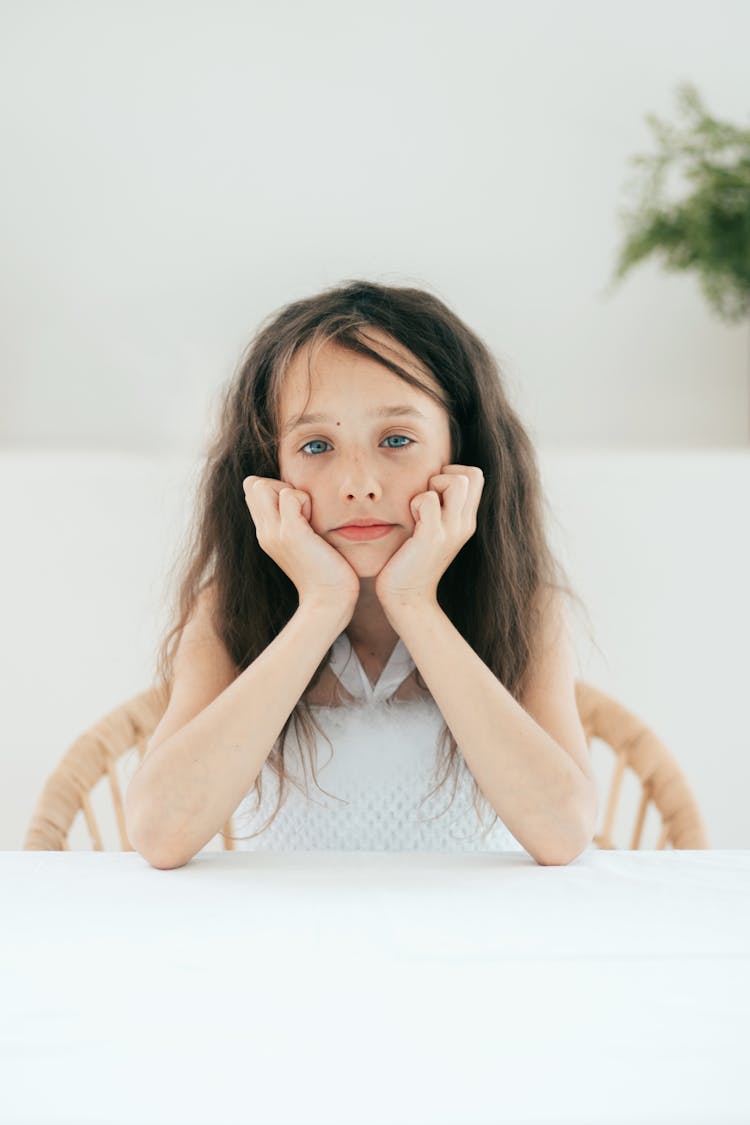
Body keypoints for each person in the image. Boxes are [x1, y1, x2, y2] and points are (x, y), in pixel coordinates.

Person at [124, 279, 598, 868]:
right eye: (316, 446)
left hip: (476, 946)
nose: (358, 484)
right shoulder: (227, 608)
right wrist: (321, 605)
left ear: (462, 453)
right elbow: (159, 833)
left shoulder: (528, 608)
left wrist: (414, 602)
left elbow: (564, 833)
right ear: (270, 469)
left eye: (396, 439)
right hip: (291, 938)